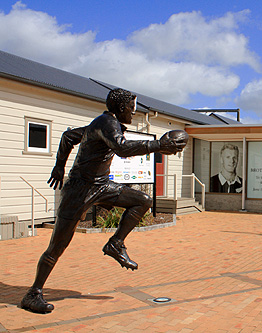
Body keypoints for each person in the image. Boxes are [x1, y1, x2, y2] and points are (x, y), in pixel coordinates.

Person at [21, 88, 189, 314]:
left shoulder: (102, 124)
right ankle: (33, 294)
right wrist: (157, 145)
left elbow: (69, 136)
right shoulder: (105, 122)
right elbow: (120, 148)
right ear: (121, 109)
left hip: (101, 186)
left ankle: (115, 243)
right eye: (132, 108)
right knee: (57, 246)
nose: (134, 112)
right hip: (79, 190)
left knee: (143, 201)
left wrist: (59, 166)